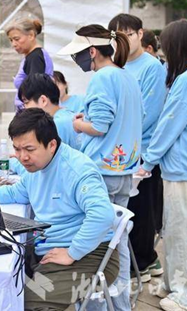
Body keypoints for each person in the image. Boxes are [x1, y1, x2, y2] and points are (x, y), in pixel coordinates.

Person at [58, 24, 143, 310]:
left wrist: (77, 123)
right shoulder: (125, 75)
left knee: (95, 247)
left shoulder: (102, 78)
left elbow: (100, 126)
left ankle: (97, 306)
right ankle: (120, 305)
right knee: (116, 244)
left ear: (92, 51)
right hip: (124, 172)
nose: (76, 60)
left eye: (78, 54)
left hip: (102, 172)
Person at [0, 108, 117, 309]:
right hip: (50, 250)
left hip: (89, 255)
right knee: (3, 285)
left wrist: (72, 252)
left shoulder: (77, 170)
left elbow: (103, 215)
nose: (22, 157)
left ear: (51, 145)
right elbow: (16, 193)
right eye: (17, 149)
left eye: (29, 149)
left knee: (24, 301)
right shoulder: (36, 168)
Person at [138, 19, 187, 311]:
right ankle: (174, 284)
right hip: (179, 166)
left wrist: (148, 160)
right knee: (174, 229)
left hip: (184, 167)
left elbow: (170, 123)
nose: (164, 51)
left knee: (186, 232)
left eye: (167, 46)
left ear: (178, 46)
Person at [109, 13, 167, 283]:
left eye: (128, 35)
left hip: (143, 150)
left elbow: (150, 114)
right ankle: (146, 260)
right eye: (117, 37)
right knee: (129, 209)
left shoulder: (152, 67)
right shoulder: (117, 66)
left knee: (143, 210)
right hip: (120, 151)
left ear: (140, 34)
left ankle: (142, 264)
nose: (123, 40)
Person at [18, 73, 80, 149]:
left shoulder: (56, 124)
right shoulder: (67, 115)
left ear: (43, 100)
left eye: (26, 102)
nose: (25, 108)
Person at [5, 16, 54, 111]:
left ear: (31, 35)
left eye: (17, 39)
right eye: (11, 40)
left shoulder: (35, 57)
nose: (13, 44)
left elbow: (35, 90)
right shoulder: (33, 56)